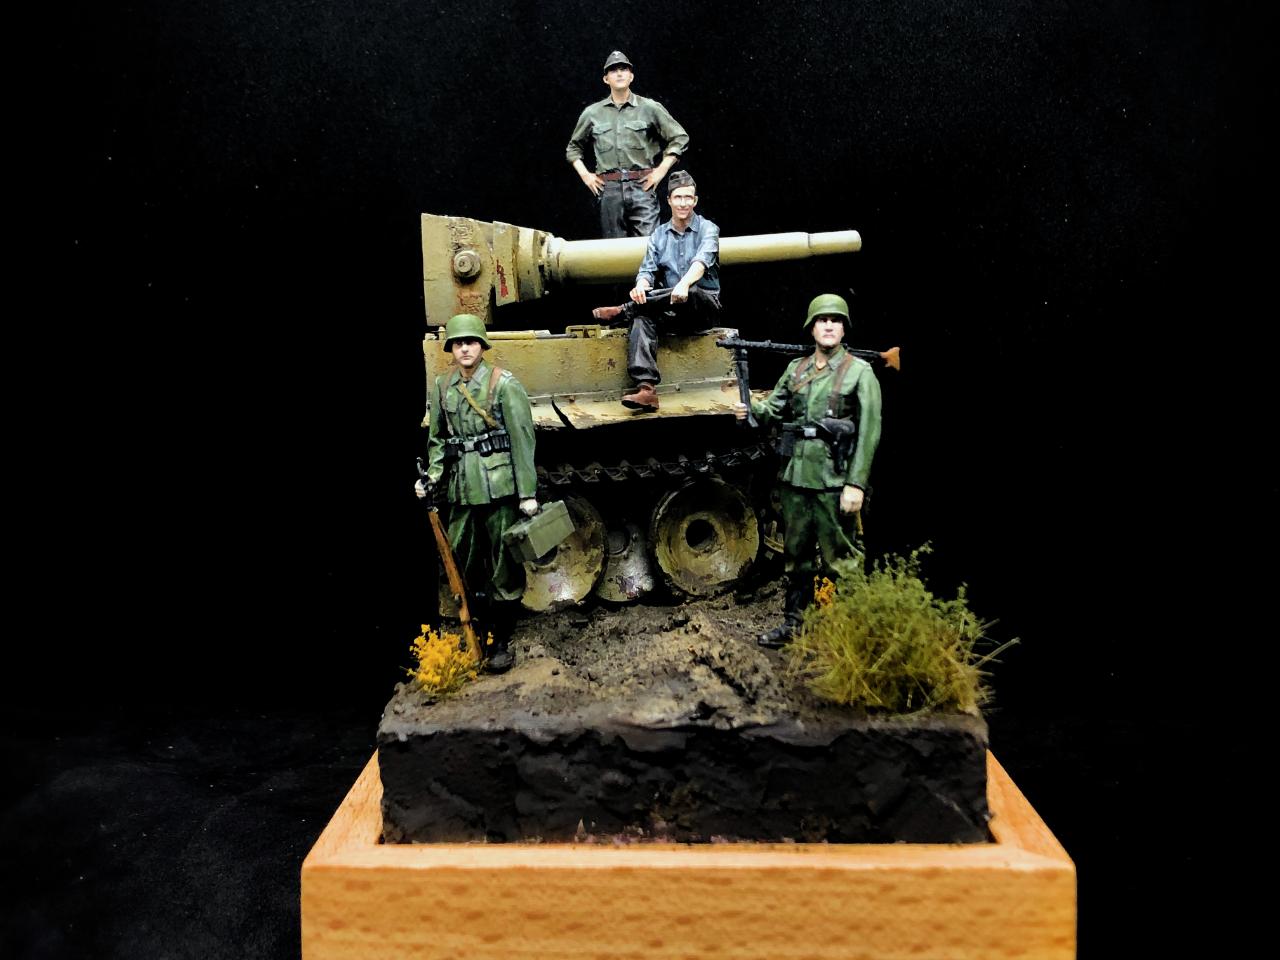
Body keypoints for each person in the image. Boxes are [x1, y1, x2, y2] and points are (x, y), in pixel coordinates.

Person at [734, 294, 882, 647]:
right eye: (822, 320)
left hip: (834, 480)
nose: (829, 326)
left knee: (840, 559)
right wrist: (748, 409)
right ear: (811, 327)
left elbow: (869, 431)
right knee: (797, 555)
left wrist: (856, 484)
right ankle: (795, 623)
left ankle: (843, 630)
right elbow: (773, 409)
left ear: (844, 328)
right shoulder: (796, 370)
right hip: (797, 478)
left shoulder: (859, 372)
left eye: (835, 320)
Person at [415, 313, 538, 672]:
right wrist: (432, 477)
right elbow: (438, 441)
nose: (465, 349)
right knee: (461, 559)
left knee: (503, 565)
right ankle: (478, 630)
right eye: (458, 343)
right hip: (461, 489)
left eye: (470, 342)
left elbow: (522, 438)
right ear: (451, 349)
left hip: (498, 488)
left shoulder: (503, 384)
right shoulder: (442, 386)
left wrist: (527, 492)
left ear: (482, 346)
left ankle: (501, 640)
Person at [591, 170, 722, 411]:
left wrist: (684, 284)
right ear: (669, 200)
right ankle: (646, 389)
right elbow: (647, 270)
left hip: (702, 310)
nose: (683, 203)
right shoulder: (659, 235)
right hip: (671, 309)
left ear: (695, 201)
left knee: (693, 291)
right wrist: (641, 287)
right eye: (678, 197)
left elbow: (702, 262)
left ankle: (624, 310)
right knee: (642, 318)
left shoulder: (708, 229)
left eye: (688, 197)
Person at [565, 50, 689, 238]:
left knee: (649, 246)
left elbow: (679, 137)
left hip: (642, 186)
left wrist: (661, 170)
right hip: (609, 188)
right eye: (613, 70)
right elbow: (573, 148)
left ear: (631, 76)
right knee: (614, 249)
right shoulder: (592, 113)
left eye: (624, 69)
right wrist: (586, 175)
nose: (619, 74)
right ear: (606, 79)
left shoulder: (649, 107)